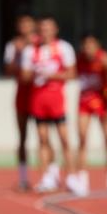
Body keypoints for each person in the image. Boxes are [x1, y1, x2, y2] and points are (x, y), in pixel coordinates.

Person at [21, 16, 77, 194]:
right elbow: (24, 76)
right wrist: (35, 72)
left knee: (64, 139)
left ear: (55, 30)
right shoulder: (31, 50)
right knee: (42, 139)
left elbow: (72, 74)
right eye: (42, 29)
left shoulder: (64, 48)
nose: (45, 32)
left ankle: (71, 177)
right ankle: (46, 176)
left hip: (56, 99)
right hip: (38, 99)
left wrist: (52, 75)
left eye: (48, 29)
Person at [77, 34, 107, 196]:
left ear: (97, 46)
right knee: (82, 137)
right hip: (85, 102)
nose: (88, 48)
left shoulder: (105, 60)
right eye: (85, 45)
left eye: (91, 45)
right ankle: (82, 180)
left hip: (102, 102)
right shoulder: (79, 60)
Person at [3, 13, 38, 191]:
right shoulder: (13, 45)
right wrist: (18, 53)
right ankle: (23, 177)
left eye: (28, 23)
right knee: (23, 136)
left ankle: (50, 176)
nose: (25, 27)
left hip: (39, 92)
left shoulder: (42, 43)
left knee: (45, 135)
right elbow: (7, 71)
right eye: (22, 24)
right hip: (22, 93)